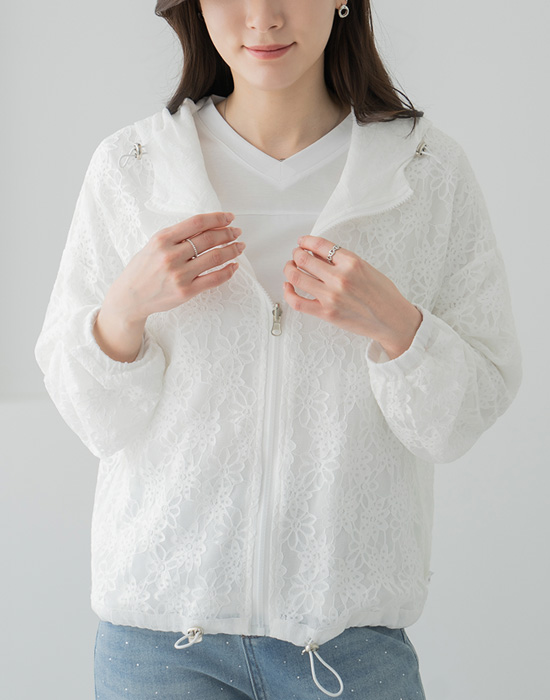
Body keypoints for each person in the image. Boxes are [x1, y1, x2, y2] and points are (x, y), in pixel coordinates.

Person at [35, 0, 522, 698]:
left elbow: (461, 417)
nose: (262, 18)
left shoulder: (425, 172)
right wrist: (124, 311)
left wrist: (399, 328)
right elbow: (93, 421)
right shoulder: (132, 168)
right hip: (161, 643)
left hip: (348, 650)